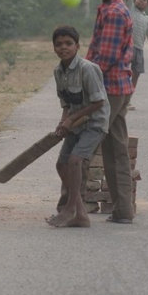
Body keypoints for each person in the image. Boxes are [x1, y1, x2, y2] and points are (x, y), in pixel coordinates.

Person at [85, 0, 135, 224]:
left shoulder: (115, 12)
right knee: (116, 150)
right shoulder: (106, 8)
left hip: (110, 89)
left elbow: (105, 58)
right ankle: (123, 210)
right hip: (114, 87)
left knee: (83, 144)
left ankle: (71, 207)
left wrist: (83, 83)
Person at [47, 25, 109, 228]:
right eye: (59, 45)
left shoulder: (87, 69)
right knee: (61, 164)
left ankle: (70, 209)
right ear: (54, 48)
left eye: (68, 44)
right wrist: (63, 123)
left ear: (77, 46)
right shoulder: (58, 72)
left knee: (75, 160)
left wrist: (70, 121)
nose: (63, 48)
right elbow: (66, 104)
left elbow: (98, 103)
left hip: (94, 123)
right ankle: (81, 215)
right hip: (75, 124)